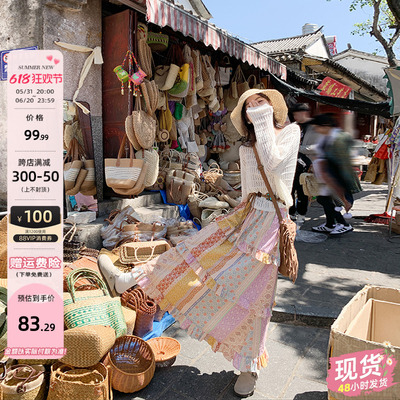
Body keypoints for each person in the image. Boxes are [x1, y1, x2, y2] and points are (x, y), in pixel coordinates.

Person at [99, 89, 300, 398]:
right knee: (192, 252)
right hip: (246, 215)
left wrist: (261, 121)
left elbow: (274, 164)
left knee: (253, 295)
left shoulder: (290, 132)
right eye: (249, 107)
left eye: (260, 103)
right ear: (244, 117)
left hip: (270, 225)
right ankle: (132, 278)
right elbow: (249, 190)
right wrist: (229, 204)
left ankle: (248, 366)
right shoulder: (247, 147)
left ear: (273, 106)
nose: (255, 109)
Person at [310, 113, 362, 235]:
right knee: (323, 199)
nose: (316, 130)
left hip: (336, 175)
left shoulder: (339, 138)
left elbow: (343, 163)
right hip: (325, 175)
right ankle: (330, 224)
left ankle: (343, 224)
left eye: (317, 127)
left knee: (331, 200)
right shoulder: (325, 137)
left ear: (325, 126)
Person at [289, 103, 322, 223]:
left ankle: (302, 215)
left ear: (303, 113)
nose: (294, 117)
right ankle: (291, 213)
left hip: (308, 164)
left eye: (296, 114)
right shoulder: (293, 126)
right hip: (292, 163)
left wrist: (300, 148)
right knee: (290, 189)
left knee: (303, 190)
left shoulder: (315, 126)